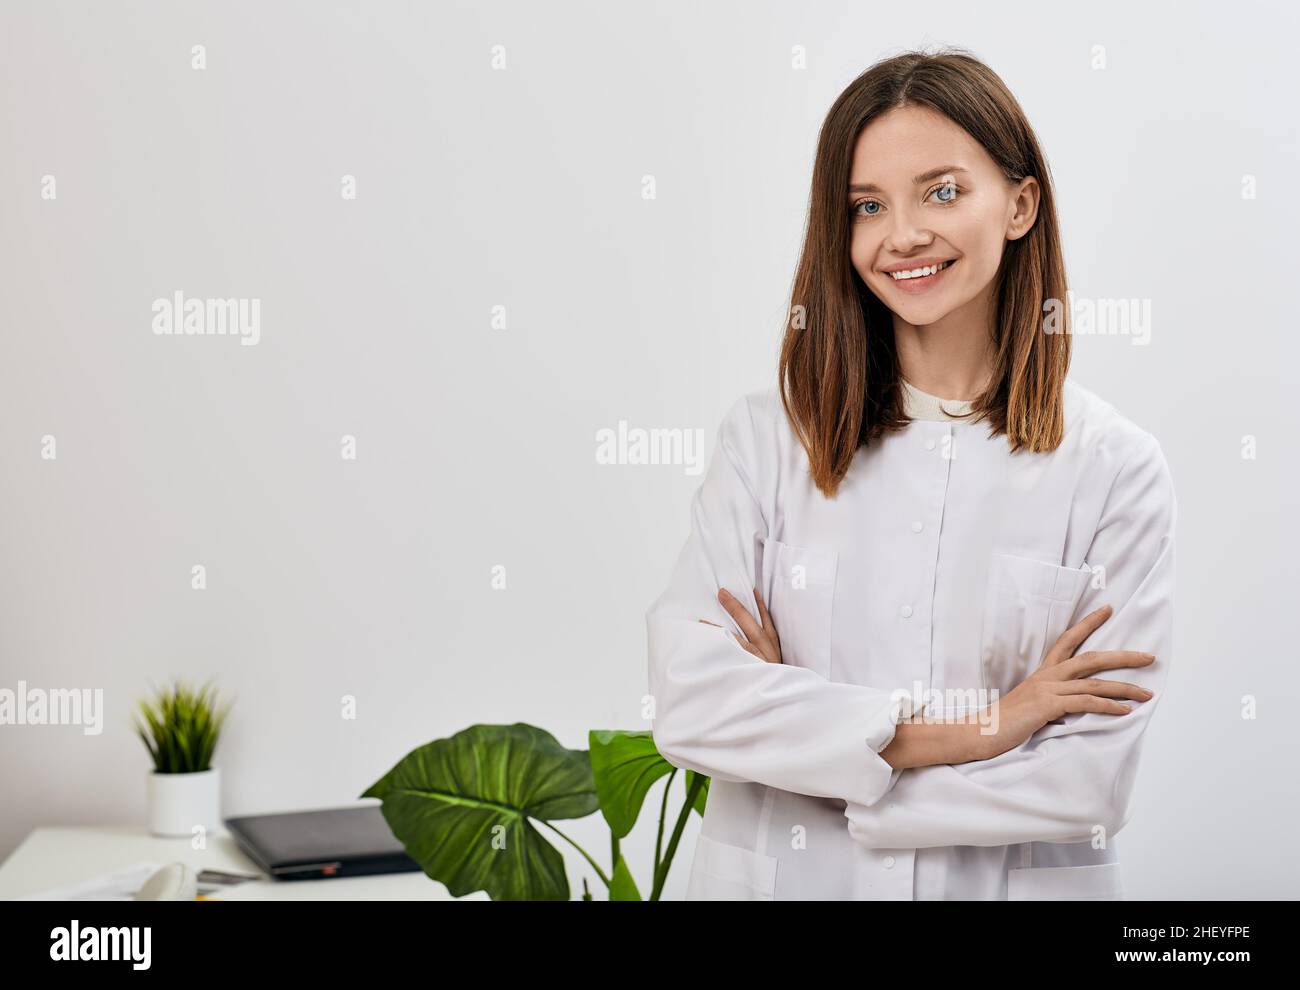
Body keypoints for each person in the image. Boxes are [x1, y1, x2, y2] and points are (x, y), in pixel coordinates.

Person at [644, 48, 1176, 900]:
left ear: (1020, 204)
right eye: (866, 206)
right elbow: (691, 704)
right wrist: (995, 725)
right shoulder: (766, 441)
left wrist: (812, 740)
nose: (902, 236)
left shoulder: (1114, 468)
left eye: (942, 191)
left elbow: (1085, 785)